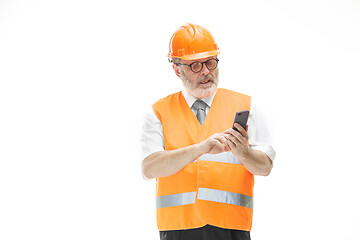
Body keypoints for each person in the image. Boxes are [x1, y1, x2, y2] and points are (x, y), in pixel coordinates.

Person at [141, 23, 276, 240]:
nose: (206, 72)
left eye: (210, 62)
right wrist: (200, 149)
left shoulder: (247, 107)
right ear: (176, 69)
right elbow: (149, 168)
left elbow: (265, 168)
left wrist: (244, 152)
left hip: (233, 230)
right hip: (178, 231)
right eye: (195, 65)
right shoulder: (158, 113)